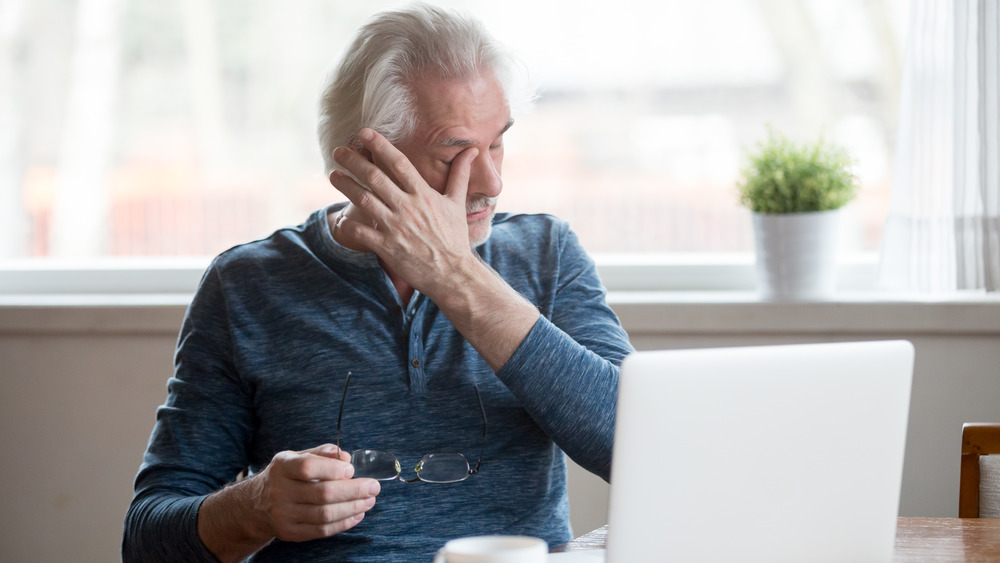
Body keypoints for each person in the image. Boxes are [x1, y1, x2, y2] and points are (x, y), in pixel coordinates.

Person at [122, 4, 633, 562]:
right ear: (369, 161)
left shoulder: (548, 255)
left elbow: (639, 450)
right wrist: (255, 506)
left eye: (497, 143)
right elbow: (147, 541)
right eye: (456, 153)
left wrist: (455, 275)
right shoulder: (246, 285)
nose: (492, 180)